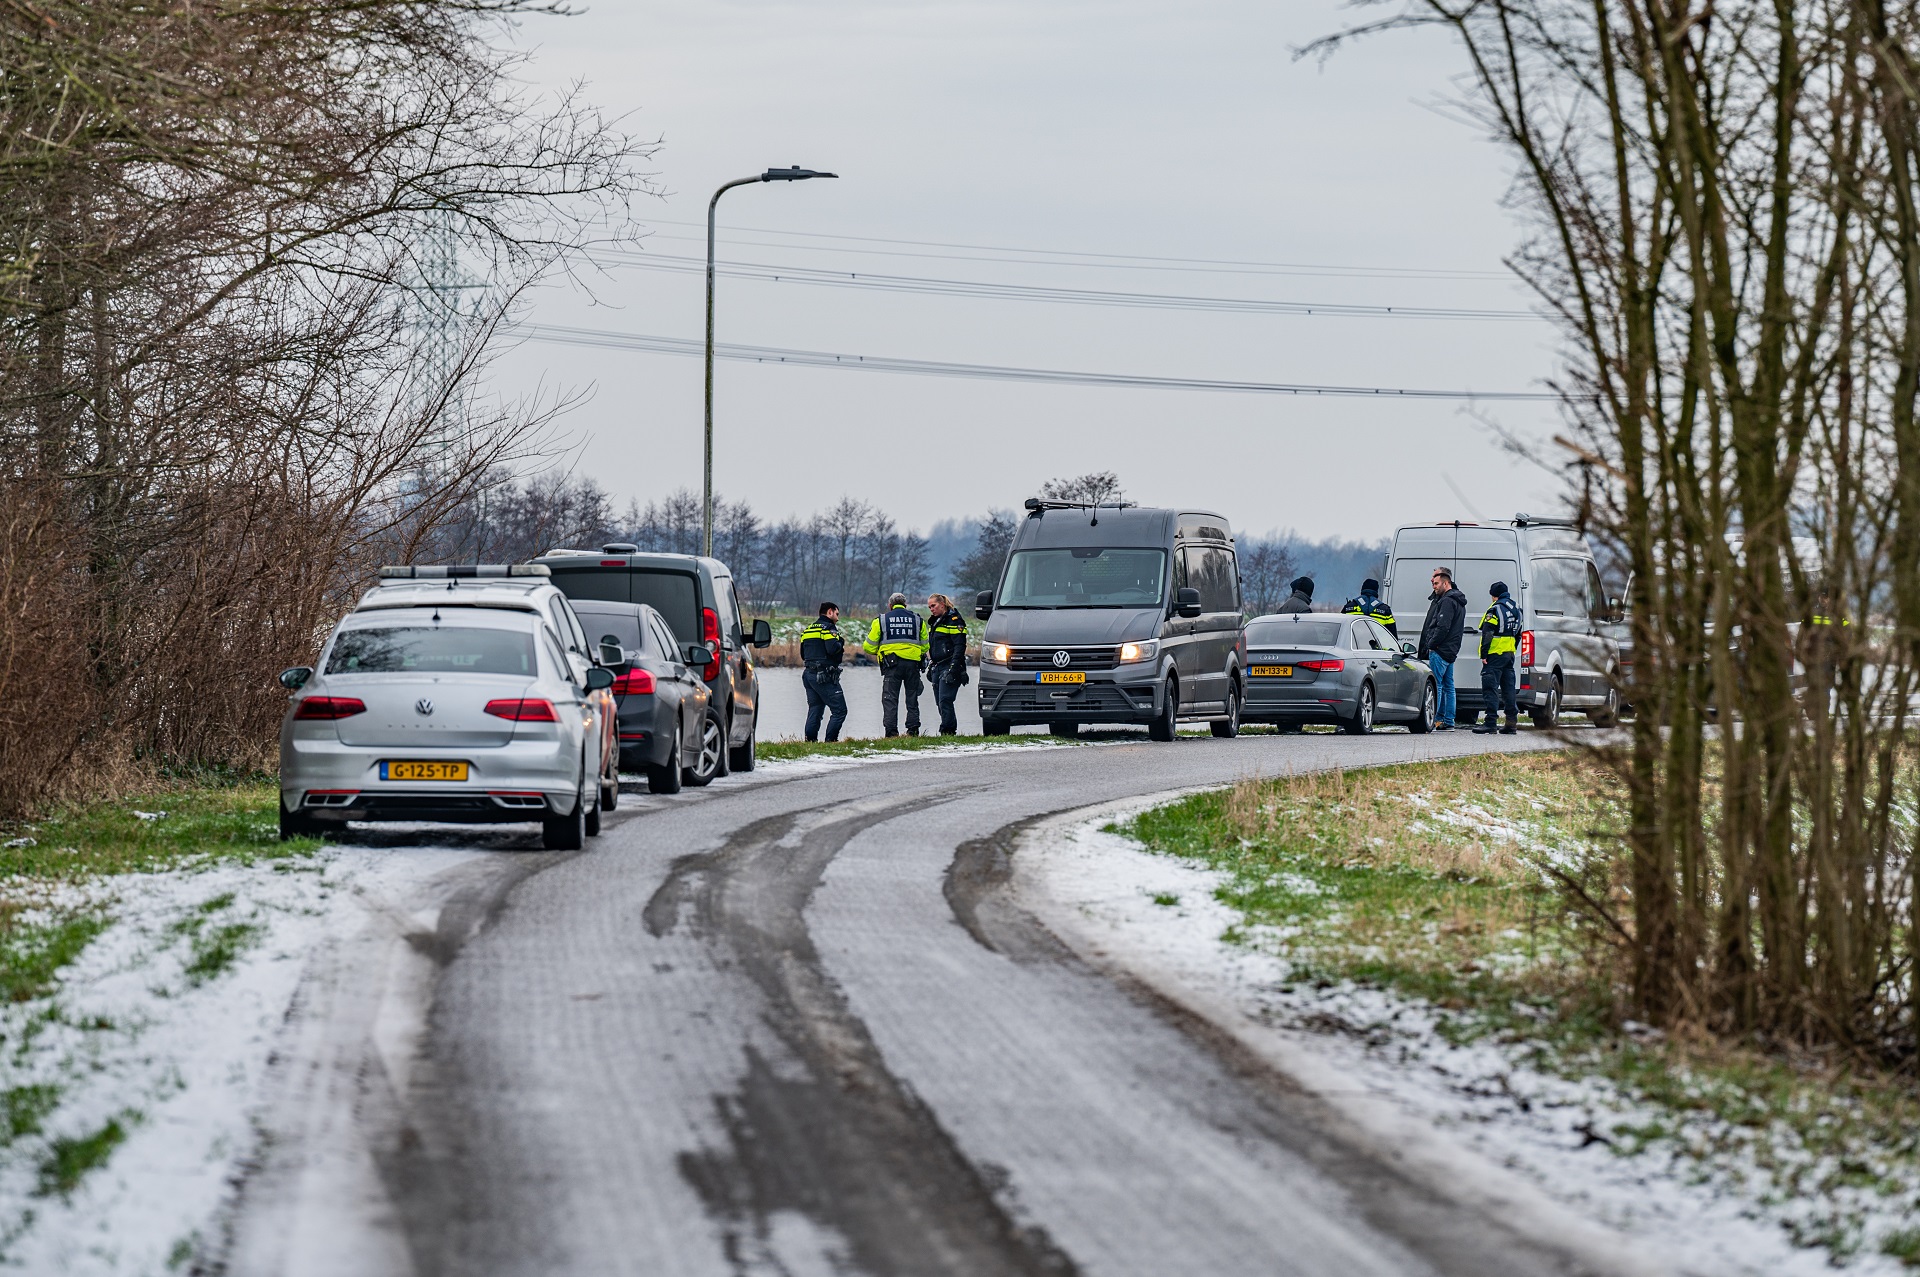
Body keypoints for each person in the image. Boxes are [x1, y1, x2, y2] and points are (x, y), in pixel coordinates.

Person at [864, 592, 928, 737]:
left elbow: (868, 647)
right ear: (906, 605)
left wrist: (881, 651)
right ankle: (913, 730)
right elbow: (925, 645)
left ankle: (892, 732)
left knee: (890, 699)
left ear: (890, 605)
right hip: (913, 664)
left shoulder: (881, 620)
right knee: (912, 698)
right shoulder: (918, 620)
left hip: (891, 664)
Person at [1416, 567, 1467, 731]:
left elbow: (1442, 627)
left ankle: (1434, 719)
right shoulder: (1459, 601)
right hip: (1451, 650)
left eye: (1437, 583)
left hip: (1440, 650)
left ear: (1446, 583)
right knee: (1448, 685)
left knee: (1436, 685)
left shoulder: (1446, 601)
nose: (1434, 586)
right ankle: (1449, 721)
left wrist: (1431, 644)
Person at [1473, 580, 1523, 734]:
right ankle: (1511, 724)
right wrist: (1512, 649)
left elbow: (1487, 633)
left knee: (1490, 688)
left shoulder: (1495, 610)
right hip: (1509, 655)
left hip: (1494, 655)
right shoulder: (1516, 609)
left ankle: (1490, 723)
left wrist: (1484, 654)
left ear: (1493, 595)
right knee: (1509, 689)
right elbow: (1519, 633)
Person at [799, 602, 847, 743]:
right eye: (837, 614)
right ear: (830, 612)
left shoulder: (807, 630)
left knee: (816, 708)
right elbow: (833, 649)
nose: (837, 618)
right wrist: (840, 643)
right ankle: (830, 741)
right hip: (824, 675)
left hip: (809, 675)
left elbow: (803, 654)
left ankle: (810, 741)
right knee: (840, 710)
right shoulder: (828, 628)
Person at [925, 593, 969, 736]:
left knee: (945, 700)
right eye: (929, 607)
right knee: (939, 702)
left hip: (950, 664)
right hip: (937, 666)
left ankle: (948, 731)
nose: (931, 609)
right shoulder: (935, 621)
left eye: (934, 605)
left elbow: (959, 646)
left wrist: (954, 668)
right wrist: (930, 663)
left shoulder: (954, 620)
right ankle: (947, 728)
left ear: (942, 605)